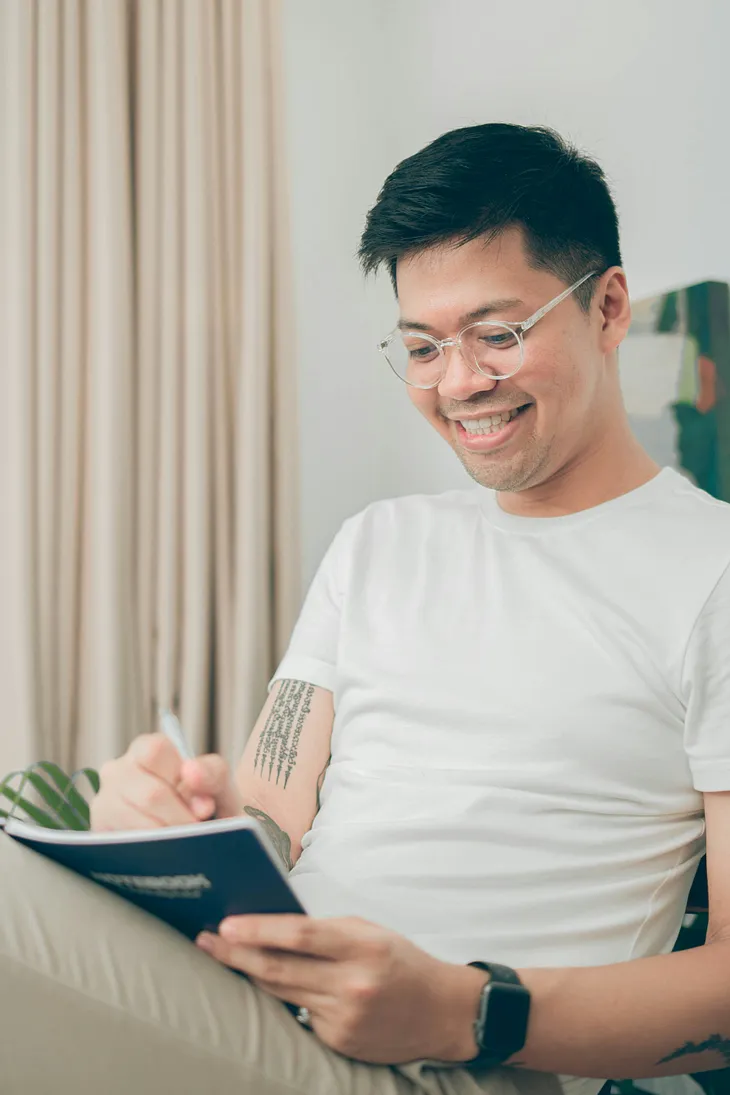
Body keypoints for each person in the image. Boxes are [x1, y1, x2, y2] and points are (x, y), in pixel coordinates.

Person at [3, 122, 730, 1095]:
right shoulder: (377, 543)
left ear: (606, 308)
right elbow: (270, 812)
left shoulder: (709, 569)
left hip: (464, 1065)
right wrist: (166, 822)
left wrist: (466, 1008)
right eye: (422, 347)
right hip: (271, 1008)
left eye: (498, 335)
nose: (459, 383)